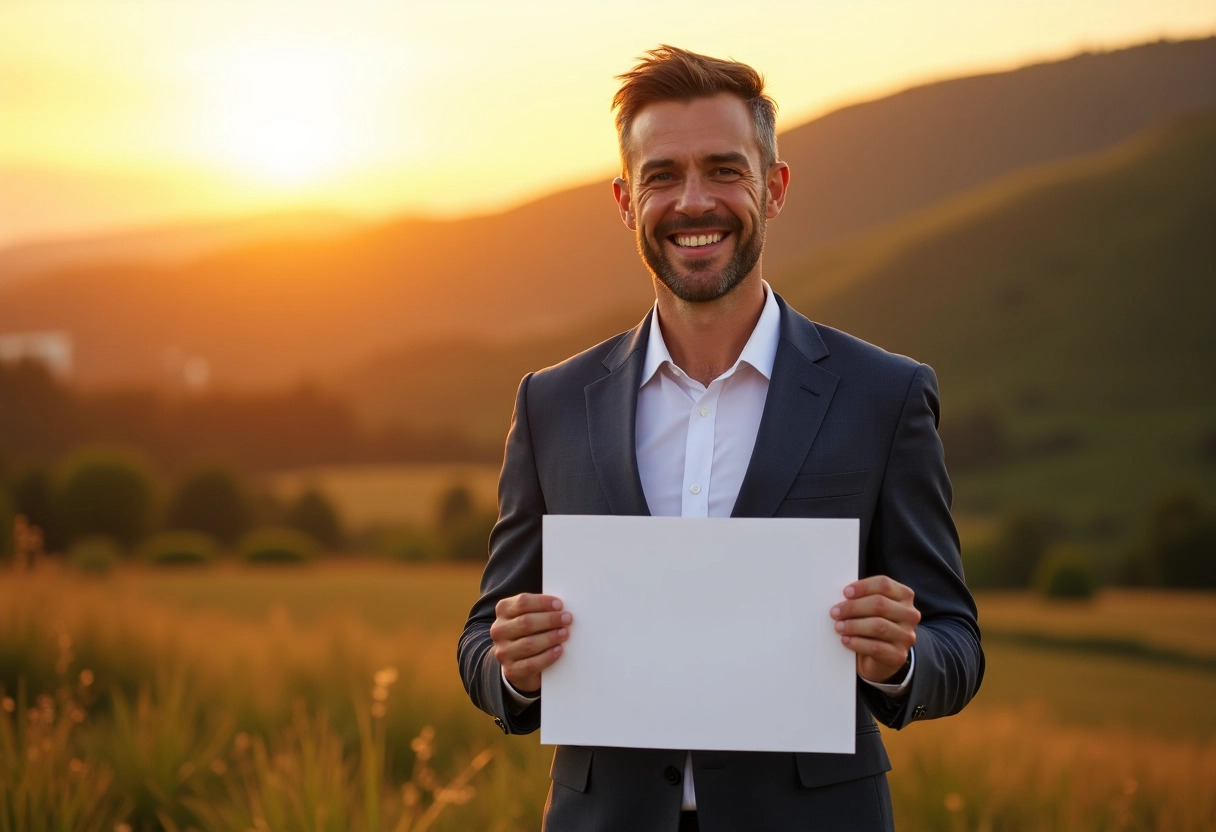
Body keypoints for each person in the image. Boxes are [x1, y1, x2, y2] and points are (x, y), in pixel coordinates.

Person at [458, 45, 984, 832]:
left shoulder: (885, 395)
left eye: (723, 170)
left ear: (773, 189)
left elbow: (957, 644)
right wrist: (515, 668)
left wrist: (901, 661)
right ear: (625, 201)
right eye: (662, 175)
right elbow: (482, 640)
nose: (693, 201)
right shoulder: (552, 403)